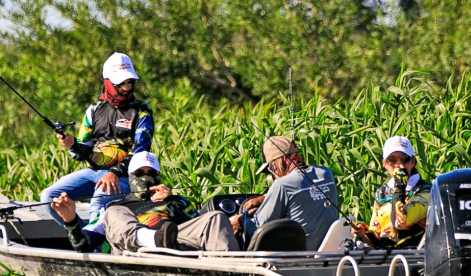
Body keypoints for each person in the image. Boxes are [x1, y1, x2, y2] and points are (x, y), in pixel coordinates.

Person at [40, 52, 154, 226]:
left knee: (100, 198)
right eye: (120, 83)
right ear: (107, 82)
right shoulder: (93, 110)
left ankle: (95, 248)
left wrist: (113, 172)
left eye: (130, 82)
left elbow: (141, 153)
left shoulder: (142, 111)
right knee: (49, 197)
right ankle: (81, 236)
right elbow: (82, 152)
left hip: (126, 176)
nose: (126, 87)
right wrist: (72, 145)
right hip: (94, 172)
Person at [50, 152, 239, 254]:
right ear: (131, 177)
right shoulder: (115, 206)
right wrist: (70, 220)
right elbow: (84, 245)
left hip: (176, 245)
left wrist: (174, 201)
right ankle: (153, 239)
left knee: (215, 216)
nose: (146, 177)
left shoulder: (174, 200)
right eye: (140, 174)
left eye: (152, 173)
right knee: (114, 212)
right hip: (137, 253)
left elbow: (199, 223)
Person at [232, 136, 339, 252]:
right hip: (328, 255)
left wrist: (240, 220)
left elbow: (257, 229)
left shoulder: (282, 184)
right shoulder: (326, 173)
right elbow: (305, 193)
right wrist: (266, 198)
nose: (272, 175)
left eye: (269, 169)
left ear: (277, 162)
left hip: (297, 260)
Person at [357, 135, 431, 249]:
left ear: (413, 162)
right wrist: (362, 233)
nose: (399, 164)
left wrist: (400, 184)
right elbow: (377, 236)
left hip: (414, 258)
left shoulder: (426, 191)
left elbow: (400, 222)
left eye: (404, 158)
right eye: (392, 160)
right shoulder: (382, 193)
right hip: (386, 258)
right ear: (385, 164)